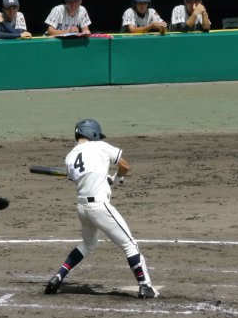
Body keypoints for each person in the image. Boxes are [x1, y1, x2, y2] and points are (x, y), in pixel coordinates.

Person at [45, 119, 160, 299]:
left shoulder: (69, 157)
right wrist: (117, 178)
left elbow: (85, 178)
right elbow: (124, 165)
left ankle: (59, 275)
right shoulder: (100, 146)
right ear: (93, 133)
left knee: (88, 245)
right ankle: (145, 286)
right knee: (129, 244)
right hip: (100, 207)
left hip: (82, 208)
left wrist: (106, 179)